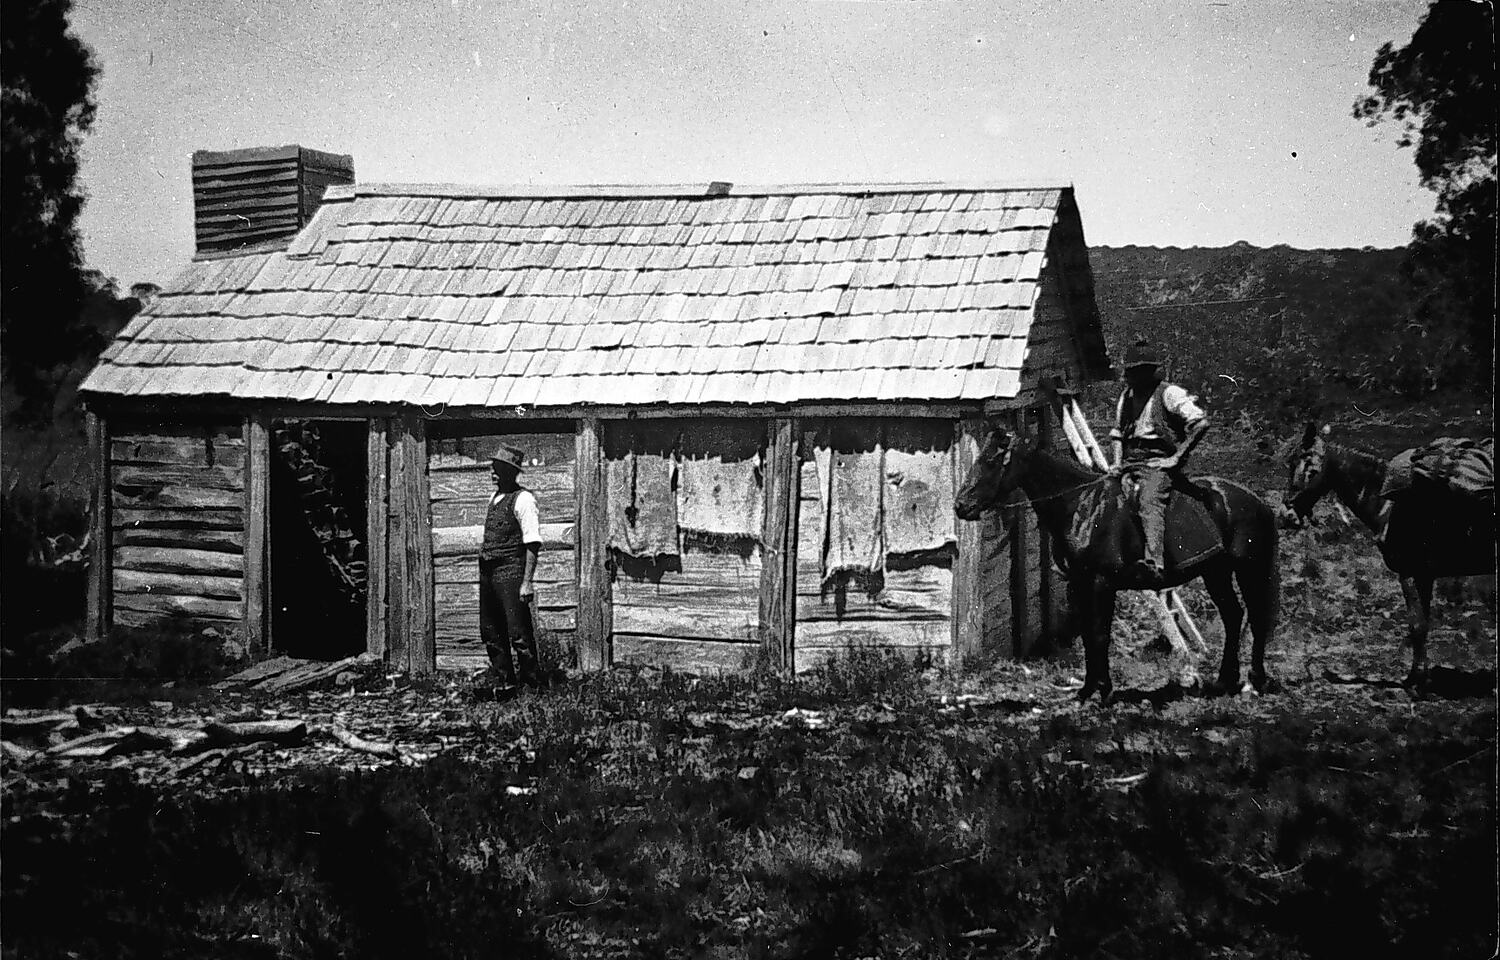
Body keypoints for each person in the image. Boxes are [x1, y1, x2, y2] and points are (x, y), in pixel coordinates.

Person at [1107, 340, 1210, 580]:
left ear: (1148, 372)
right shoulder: (1126, 397)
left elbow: (1201, 423)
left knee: (1149, 499)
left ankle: (1155, 562)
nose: (1128, 377)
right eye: (1128, 371)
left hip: (1158, 462)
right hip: (1131, 461)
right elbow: (1118, 433)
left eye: (1134, 371)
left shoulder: (1169, 394)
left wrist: (1175, 458)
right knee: (1106, 496)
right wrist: (1117, 463)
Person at [479, 444, 543, 686]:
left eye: (497, 469)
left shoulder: (524, 499)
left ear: (510, 472)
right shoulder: (494, 498)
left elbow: (532, 543)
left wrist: (527, 582)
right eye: (492, 468)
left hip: (511, 572)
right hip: (488, 572)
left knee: (519, 632)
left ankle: (532, 686)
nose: (492, 473)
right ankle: (505, 682)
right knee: (490, 630)